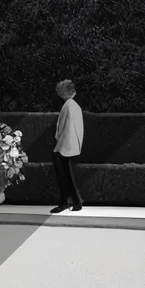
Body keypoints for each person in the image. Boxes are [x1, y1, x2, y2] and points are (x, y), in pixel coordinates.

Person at [50, 79, 84, 213]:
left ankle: (67, 202)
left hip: (64, 147)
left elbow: (64, 128)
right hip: (70, 147)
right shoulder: (74, 105)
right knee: (68, 176)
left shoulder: (68, 106)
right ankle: (74, 202)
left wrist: (59, 147)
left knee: (64, 177)